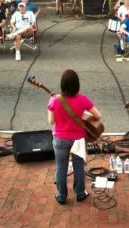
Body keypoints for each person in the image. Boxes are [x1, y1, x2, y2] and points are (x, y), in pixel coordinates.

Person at [47, 69, 99, 205]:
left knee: (60, 167)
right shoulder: (83, 100)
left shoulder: (54, 100)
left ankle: (61, 196)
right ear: (77, 84)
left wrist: (51, 105)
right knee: (79, 166)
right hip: (79, 139)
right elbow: (98, 116)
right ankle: (80, 194)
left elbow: (51, 122)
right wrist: (84, 116)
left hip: (60, 139)